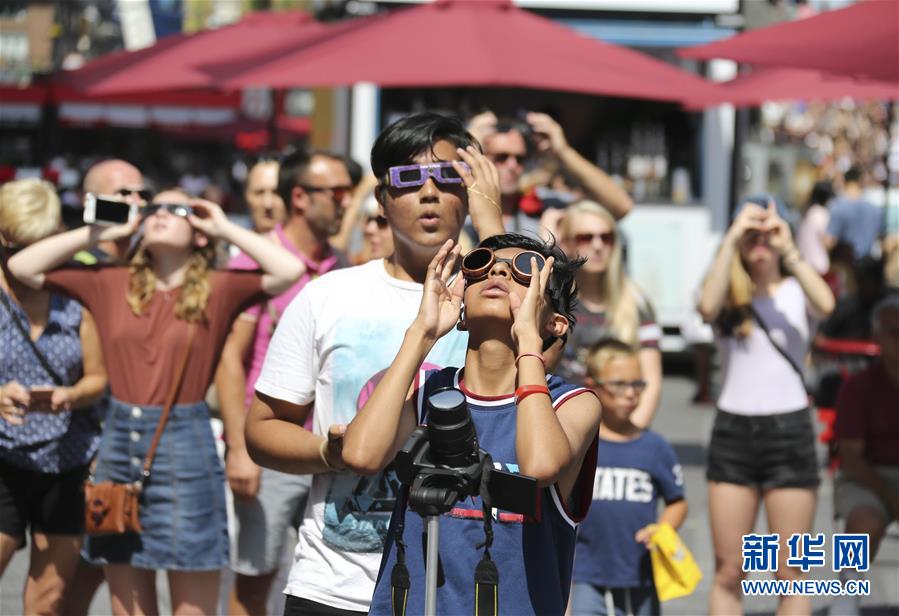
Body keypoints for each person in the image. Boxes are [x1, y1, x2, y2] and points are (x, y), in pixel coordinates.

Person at [244, 112, 505, 616]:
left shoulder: (499, 295)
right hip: (337, 585)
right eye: (408, 179)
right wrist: (328, 451)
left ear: (472, 191)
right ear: (382, 200)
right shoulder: (327, 297)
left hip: (466, 585)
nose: (429, 192)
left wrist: (494, 228)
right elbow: (262, 429)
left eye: (448, 177)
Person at [8, 189, 304, 616]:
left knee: (192, 602)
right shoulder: (111, 281)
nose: (160, 214)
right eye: (153, 209)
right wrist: (100, 232)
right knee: (127, 604)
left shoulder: (219, 288)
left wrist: (222, 226)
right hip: (118, 448)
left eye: (177, 209)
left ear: (199, 231)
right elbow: (22, 265)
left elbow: (288, 269)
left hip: (187, 449)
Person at [343, 233, 601, 614]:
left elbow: (540, 466)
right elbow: (361, 455)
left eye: (525, 271)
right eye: (480, 265)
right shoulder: (427, 390)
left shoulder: (573, 404)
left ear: (556, 323)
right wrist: (422, 334)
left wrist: (529, 342)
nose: (497, 270)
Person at [217, 149, 352, 616]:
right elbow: (229, 362)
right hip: (272, 445)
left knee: (329, 583)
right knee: (254, 586)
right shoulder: (254, 262)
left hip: (330, 448)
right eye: (336, 193)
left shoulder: (342, 265)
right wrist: (239, 447)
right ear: (299, 196)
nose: (345, 202)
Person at [697, 199, 835, 615]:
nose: (760, 243)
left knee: (792, 572)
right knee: (728, 571)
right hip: (733, 432)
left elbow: (826, 304)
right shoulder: (726, 291)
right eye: (750, 236)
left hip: (789, 432)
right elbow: (705, 307)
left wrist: (787, 245)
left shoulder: (796, 290)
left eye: (767, 236)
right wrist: (732, 237)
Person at [0, 179, 107, 616]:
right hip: (3, 460)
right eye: (12, 246)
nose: (18, 259)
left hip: (67, 461)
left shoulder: (76, 296)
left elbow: (99, 378)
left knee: (48, 602)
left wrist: (70, 395)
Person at [572, 339, 687, 616]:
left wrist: (663, 529)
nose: (630, 394)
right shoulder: (580, 443)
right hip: (586, 572)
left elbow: (677, 502)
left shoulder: (654, 447)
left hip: (639, 573)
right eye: (619, 384)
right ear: (592, 385)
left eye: (637, 384)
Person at [556, 200, 663, 427]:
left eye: (606, 237)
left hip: (618, 430)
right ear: (564, 242)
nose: (597, 245)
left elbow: (651, 381)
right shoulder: (552, 302)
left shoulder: (637, 302)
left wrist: (627, 437)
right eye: (585, 237)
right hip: (563, 428)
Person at [829, 295, 899, 615]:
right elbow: (852, 458)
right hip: (867, 476)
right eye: (892, 331)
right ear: (877, 337)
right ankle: (846, 588)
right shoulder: (858, 387)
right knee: (864, 521)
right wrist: (890, 496)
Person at [467, 110, 633, 237]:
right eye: (501, 158)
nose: (513, 165)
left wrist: (563, 151)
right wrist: (467, 147)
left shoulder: (544, 207)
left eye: (520, 159)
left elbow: (620, 207)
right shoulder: (460, 205)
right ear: (479, 157)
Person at [76, 159, 150, 265]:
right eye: (124, 193)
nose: (137, 202)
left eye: (143, 194)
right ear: (88, 201)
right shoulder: (74, 263)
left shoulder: (148, 262)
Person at [825, 167, 884, 261]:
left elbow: (829, 241)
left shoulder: (837, 206)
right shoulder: (875, 209)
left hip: (845, 264)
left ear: (844, 182)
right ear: (862, 182)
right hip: (868, 264)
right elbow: (881, 237)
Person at [796, 180, 834, 275]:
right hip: (818, 265)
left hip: (804, 263)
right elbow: (827, 241)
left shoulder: (807, 211)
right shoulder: (820, 213)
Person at [243, 155, 287, 234]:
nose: (268, 204)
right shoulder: (230, 244)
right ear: (246, 196)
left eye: (276, 193)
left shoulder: (307, 245)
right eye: (259, 193)